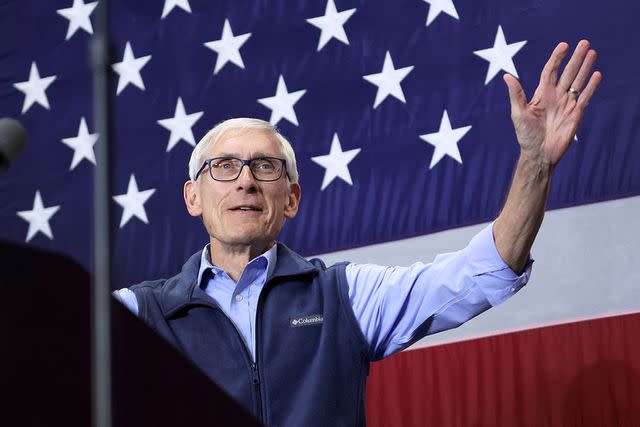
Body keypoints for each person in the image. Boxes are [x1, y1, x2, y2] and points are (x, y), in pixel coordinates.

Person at [114, 40, 601, 426]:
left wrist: (535, 163)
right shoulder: (139, 315)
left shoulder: (342, 296)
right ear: (192, 198)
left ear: (292, 198)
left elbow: (488, 268)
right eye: (224, 166)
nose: (245, 179)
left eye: (265, 166)